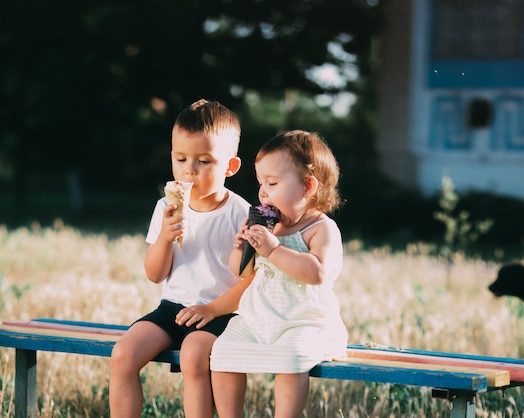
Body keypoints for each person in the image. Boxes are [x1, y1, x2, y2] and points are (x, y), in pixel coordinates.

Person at [109, 99, 252, 418]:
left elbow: (253, 280)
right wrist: (163, 238)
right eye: (181, 158)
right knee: (123, 355)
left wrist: (213, 308)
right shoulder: (166, 208)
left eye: (204, 161)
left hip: (221, 313)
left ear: (230, 166)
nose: (189, 170)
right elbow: (154, 274)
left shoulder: (241, 214)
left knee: (192, 354)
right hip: (172, 307)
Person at [211, 130, 348, 418]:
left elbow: (317, 273)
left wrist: (273, 250)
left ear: (308, 187)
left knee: (290, 358)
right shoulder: (268, 227)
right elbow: (242, 273)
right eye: (261, 182)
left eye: (272, 183)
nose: (263, 192)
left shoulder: (321, 229)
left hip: (304, 324)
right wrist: (242, 250)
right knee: (222, 353)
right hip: (258, 319)